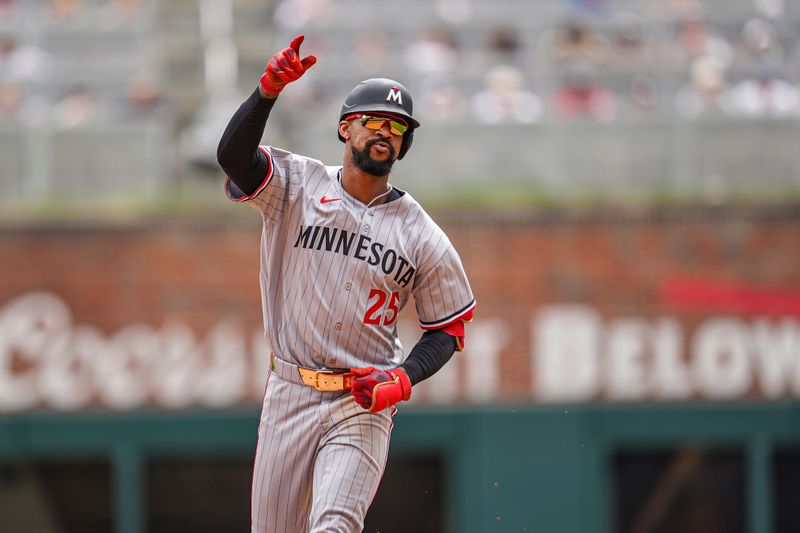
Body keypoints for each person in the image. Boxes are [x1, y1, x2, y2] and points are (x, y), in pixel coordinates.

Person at [216, 35, 475, 533]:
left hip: (361, 399)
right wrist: (268, 90)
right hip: (289, 391)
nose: (386, 131)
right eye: (374, 120)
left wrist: (404, 378)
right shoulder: (297, 184)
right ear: (345, 128)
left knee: (335, 526)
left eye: (398, 127)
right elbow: (234, 161)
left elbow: (450, 328)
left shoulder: (422, 233)